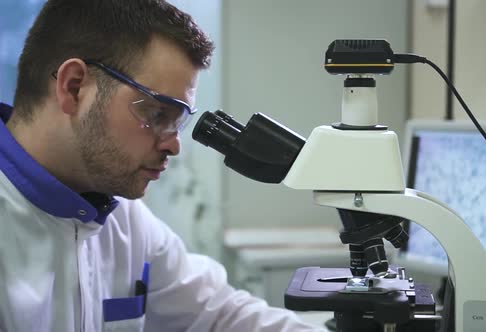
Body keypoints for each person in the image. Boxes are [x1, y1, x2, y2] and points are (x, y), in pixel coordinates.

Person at [0, 1, 326, 331]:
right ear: (74, 86)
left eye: (178, 122)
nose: (174, 145)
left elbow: (218, 314)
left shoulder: (122, 216)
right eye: (157, 115)